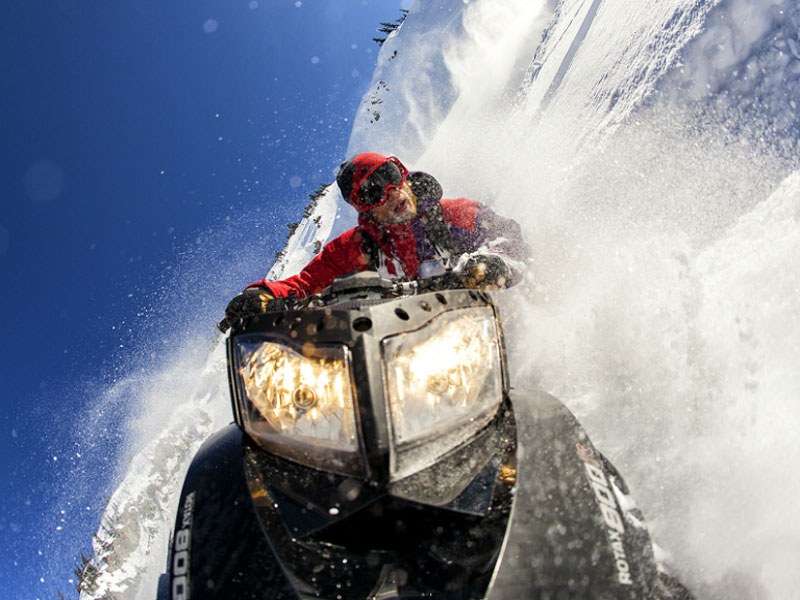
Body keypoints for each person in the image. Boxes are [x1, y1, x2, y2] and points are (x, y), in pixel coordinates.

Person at [219, 152, 530, 332]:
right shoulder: (356, 248)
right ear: (364, 208)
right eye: (372, 192)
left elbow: (508, 236)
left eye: (389, 175)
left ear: (404, 175)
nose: (390, 192)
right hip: (411, 349)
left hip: (493, 326)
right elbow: (305, 283)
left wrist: (494, 263)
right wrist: (262, 295)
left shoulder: (455, 214)